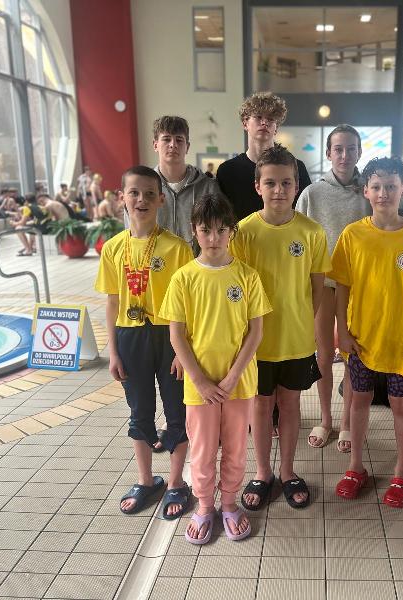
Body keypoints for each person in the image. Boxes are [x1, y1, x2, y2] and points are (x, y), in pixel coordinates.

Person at [332, 157, 403, 507]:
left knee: (401, 405)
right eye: (376, 187)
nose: (383, 193)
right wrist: (341, 330)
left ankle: (401, 472)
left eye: (391, 186)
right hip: (361, 338)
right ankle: (355, 466)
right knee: (359, 400)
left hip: (401, 340)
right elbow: (342, 288)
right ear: (365, 191)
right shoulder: (353, 235)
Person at [163, 194, 271, 544]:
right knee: (203, 449)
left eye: (221, 230)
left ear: (232, 232)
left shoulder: (247, 276)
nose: (213, 238)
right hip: (199, 386)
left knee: (237, 448)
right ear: (194, 231)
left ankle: (229, 503)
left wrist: (234, 374)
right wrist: (200, 380)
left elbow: (256, 332)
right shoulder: (183, 278)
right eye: (206, 230)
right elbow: (176, 335)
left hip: (239, 382)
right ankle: (205, 505)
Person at [230, 144, 330, 511]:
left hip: (296, 340)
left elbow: (317, 289)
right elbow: (235, 290)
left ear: (297, 185)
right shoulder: (243, 233)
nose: (278, 190)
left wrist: (301, 322)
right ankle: (262, 473)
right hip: (255, 344)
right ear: (257, 186)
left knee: (290, 405)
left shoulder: (311, 232)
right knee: (260, 407)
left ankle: (287, 471)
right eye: (270, 183)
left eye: (286, 182)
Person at [95, 165, 194, 517]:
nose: (142, 199)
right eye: (134, 192)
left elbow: (188, 305)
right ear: (121, 197)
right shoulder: (112, 249)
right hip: (130, 335)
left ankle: (176, 482)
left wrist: (183, 352)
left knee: (177, 410)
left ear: (161, 200)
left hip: (169, 337)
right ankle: (146, 479)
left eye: (150, 194)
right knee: (139, 411)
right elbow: (112, 302)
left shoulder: (177, 248)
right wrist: (113, 351)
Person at [295, 124, 370, 452]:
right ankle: (325, 419)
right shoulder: (312, 194)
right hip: (322, 284)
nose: (344, 155)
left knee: (352, 355)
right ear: (328, 153)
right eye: (338, 149)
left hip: (357, 286)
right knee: (324, 355)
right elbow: (297, 238)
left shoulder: (368, 192)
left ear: (359, 153)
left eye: (351, 149)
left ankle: (347, 423)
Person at [216, 92, 312, 220]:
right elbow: (221, 219)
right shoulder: (228, 171)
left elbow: (306, 212)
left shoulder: (296, 167)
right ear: (245, 123)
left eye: (271, 119)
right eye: (258, 117)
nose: (264, 122)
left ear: (276, 128)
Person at [146, 116, 224, 243]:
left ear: (187, 147)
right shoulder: (143, 188)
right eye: (166, 139)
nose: (173, 145)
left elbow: (220, 231)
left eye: (179, 140)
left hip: (197, 256)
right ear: (155, 145)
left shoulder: (208, 187)